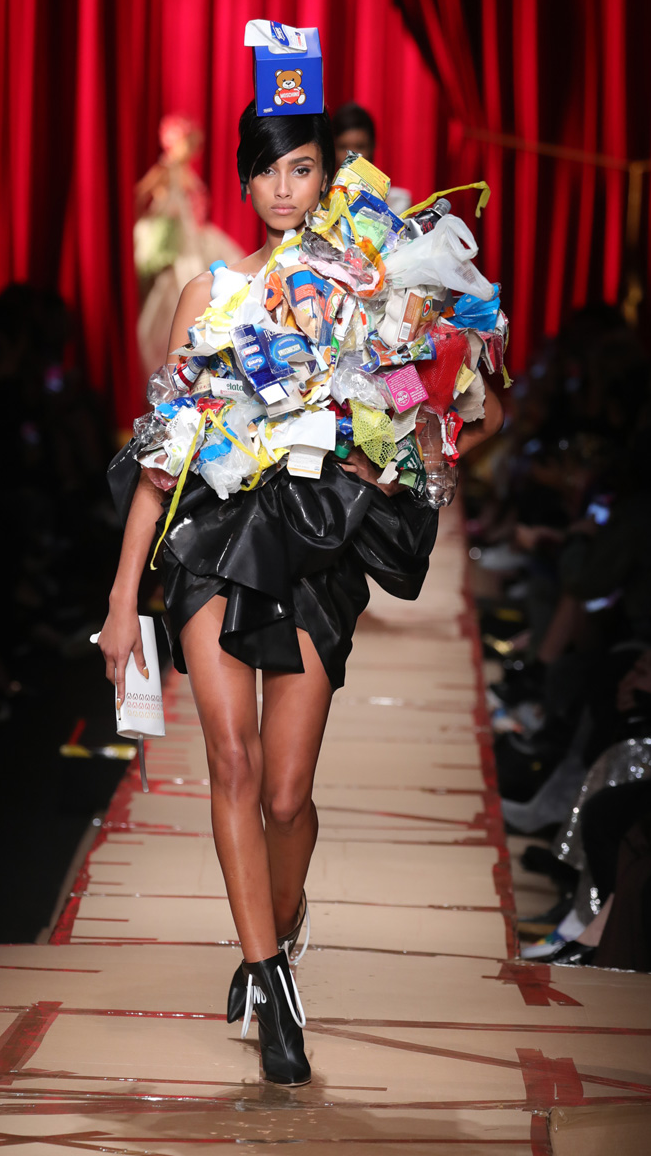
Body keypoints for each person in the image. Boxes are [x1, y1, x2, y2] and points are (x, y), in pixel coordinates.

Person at [99, 103, 504, 1086]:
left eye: (303, 169)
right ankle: (268, 978)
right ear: (244, 181)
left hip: (316, 548)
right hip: (210, 543)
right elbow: (165, 451)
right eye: (268, 170)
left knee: (286, 794)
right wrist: (120, 599)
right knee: (232, 761)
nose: (284, 187)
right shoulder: (211, 293)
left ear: (329, 178)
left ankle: (276, 928)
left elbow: (453, 419)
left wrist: (419, 444)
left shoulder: (368, 289)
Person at [134, 114, 242, 379]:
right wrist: (161, 215)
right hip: (181, 250)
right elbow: (140, 195)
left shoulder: (183, 171)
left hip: (199, 241)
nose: (191, 149)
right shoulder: (166, 170)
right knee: (179, 303)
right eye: (186, 142)